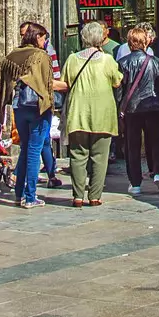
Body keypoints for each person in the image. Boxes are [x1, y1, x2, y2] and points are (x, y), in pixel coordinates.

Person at [60, 22, 123, 206]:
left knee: (78, 156)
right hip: (103, 114)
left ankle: (78, 196)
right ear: (101, 39)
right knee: (100, 157)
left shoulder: (72, 59)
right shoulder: (107, 60)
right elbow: (117, 81)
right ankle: (95, 196)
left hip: (78, 113)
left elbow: (65, 81)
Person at [0, 24, 56, 208]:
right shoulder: (40, 56)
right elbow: (47, 83)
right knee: (34, 150)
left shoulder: (14, 54)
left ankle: (19, 193)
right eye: (43, 38)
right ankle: (30, 197)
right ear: (37, 37)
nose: (45, 42)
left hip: (19, 107)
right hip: (38, 108)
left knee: (26, 148)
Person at [115, 26, 159, 195]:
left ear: (129, 43)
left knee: (133, 145)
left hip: (132, 109)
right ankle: (158, 172)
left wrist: (119, 109)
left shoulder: (123, 63)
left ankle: (135, 182)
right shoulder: (154, 61)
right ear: (145, 42)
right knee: (157, 141)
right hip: (152, 106)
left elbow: (119, 91)